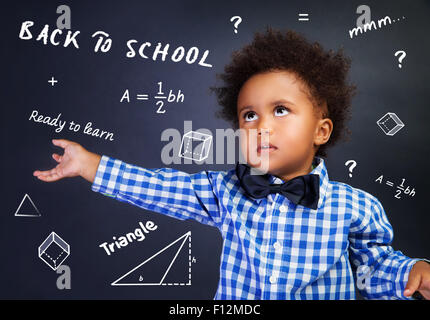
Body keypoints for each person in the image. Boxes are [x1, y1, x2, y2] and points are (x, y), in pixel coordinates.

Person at [33, 27, 430, 300]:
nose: (261, 126)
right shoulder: (225, 191)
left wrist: (411, 273)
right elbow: (160, 188)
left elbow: (374, 268)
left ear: (321, 131)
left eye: (280, 110)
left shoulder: (355, 207)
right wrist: (90, 164)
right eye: (249, 116)